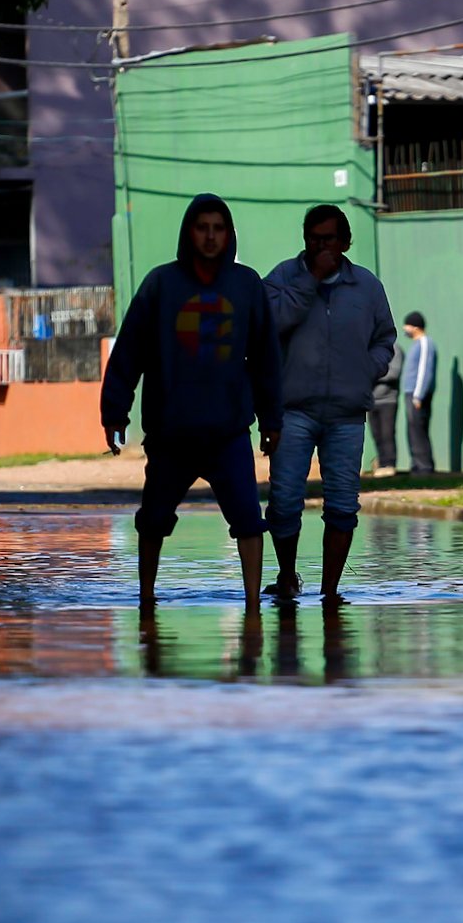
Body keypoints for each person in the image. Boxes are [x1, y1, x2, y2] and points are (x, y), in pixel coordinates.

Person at [101, 193, 282, 611]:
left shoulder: (246, 285)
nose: (211, 236)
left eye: (219, 228)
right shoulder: (160, 285)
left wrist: (272, 419)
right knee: (153, 520)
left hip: (229, 432)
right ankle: (146, 598)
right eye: (203, 227)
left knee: (249, 521)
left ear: (229, 234)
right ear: (188, 232)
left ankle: (252, 606)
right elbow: (130, 352)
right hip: (170, 434)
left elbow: (266, 357)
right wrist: (114, 411)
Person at [262, 204, 396, 604]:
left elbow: (385, 339)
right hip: (293, 409)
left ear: (346, 241)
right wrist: (311, 281)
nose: (320, 245)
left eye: (329, 238)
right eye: (313, 238)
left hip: (346, 413)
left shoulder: (367, 287)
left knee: (342, 504)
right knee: (284, 499)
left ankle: (330, 590)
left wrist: (365, 370)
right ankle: (287, 576)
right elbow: (268, 327)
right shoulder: (283, 278)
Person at [401, 310, 436, 475]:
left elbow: (424, 370)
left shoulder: (424, 343)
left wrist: (418, 395)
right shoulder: (416, 345)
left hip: (416, 395)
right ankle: (416, 464)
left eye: (407, 325)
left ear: (415, 326)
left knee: (419, 429)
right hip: (410, 394)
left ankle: (424, 466)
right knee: (412, 429)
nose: (404, 328)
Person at [368, 338, 403, 477]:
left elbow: (393, 373)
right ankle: (382, 464)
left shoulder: (394, 349)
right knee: (377, 435)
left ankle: (389, 464)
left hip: (388, 400)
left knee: (387, 434)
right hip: (371, 400)